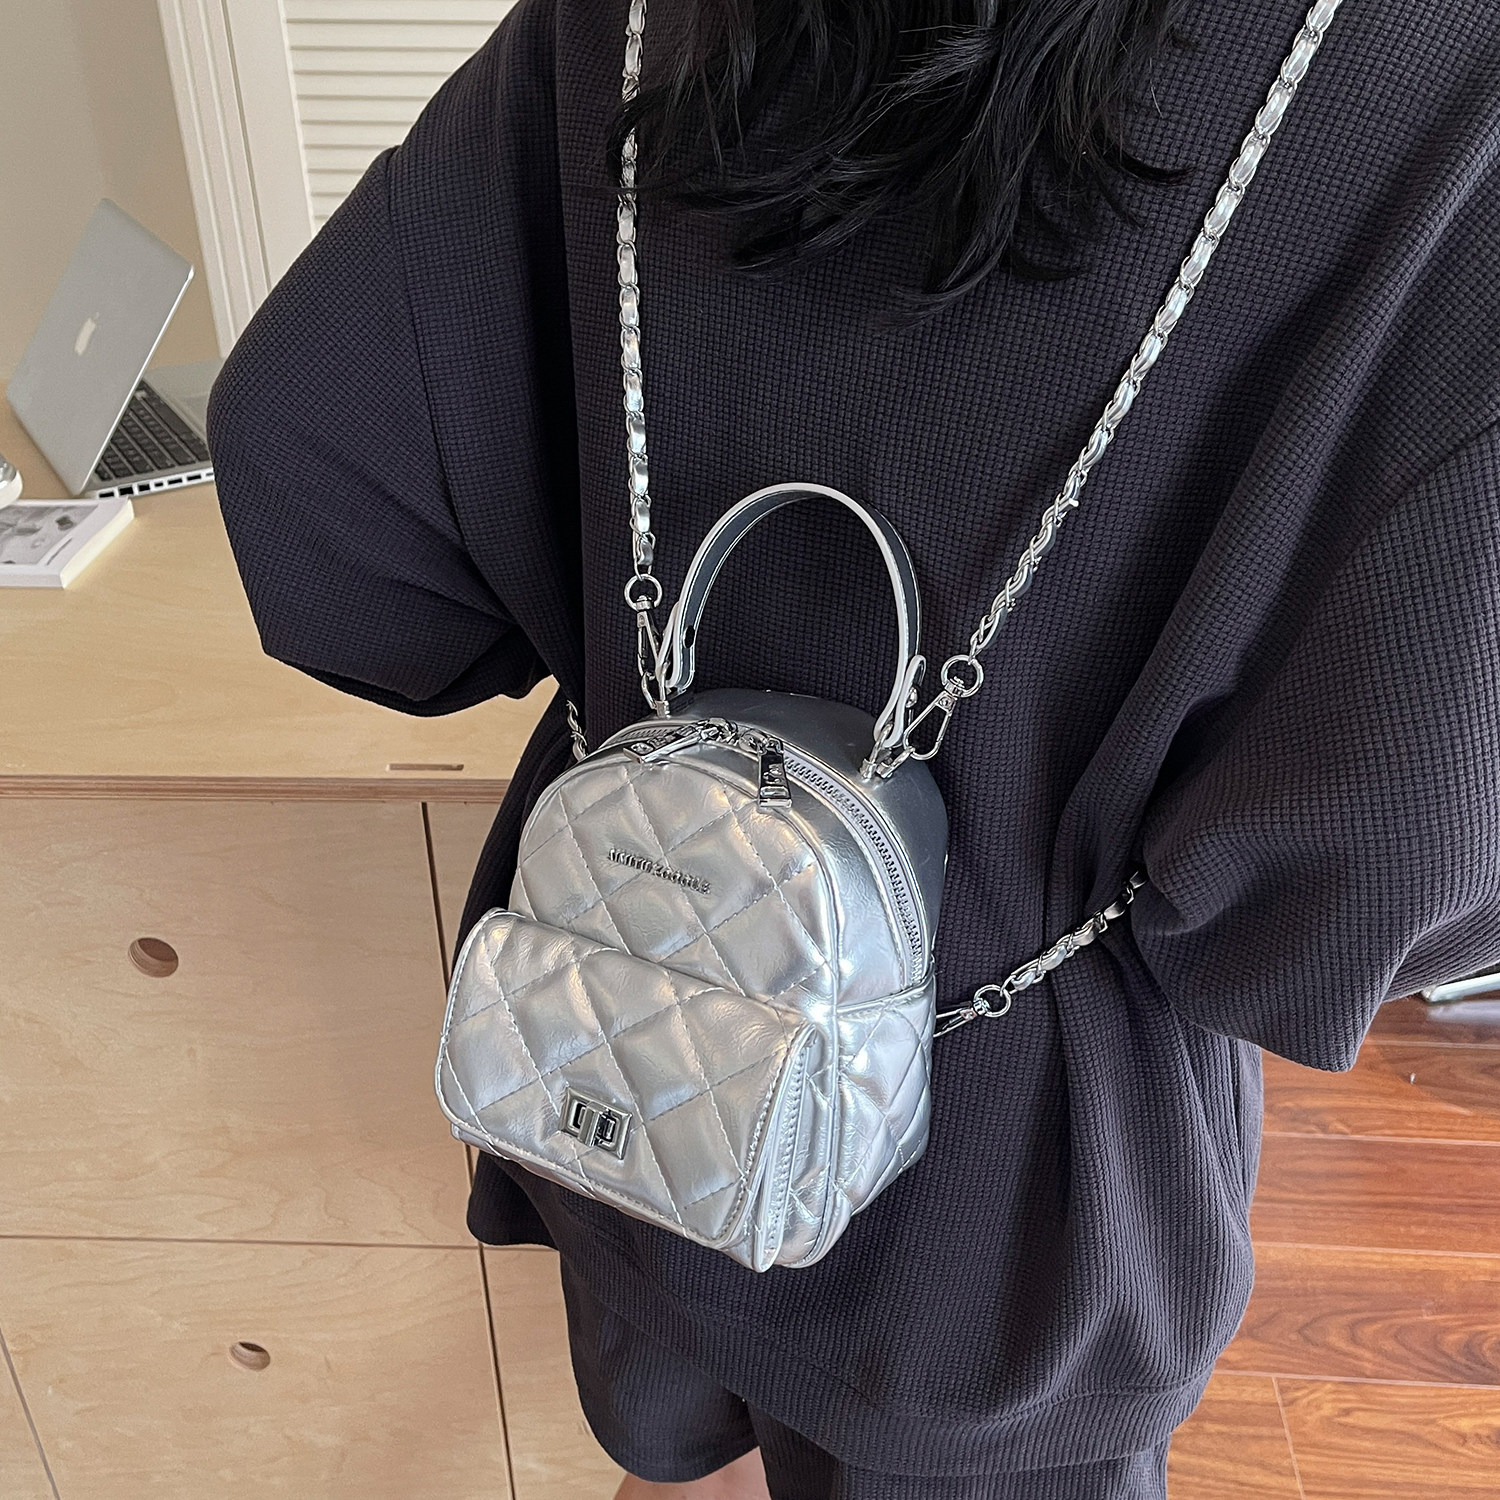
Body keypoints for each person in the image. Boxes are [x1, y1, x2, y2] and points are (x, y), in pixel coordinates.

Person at [207, 1, 1500, 1495]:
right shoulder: (1443, 65)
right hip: (1004, 1190)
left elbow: (314, 464)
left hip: (632, 999)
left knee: (672, 1445)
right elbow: (1415, 836)